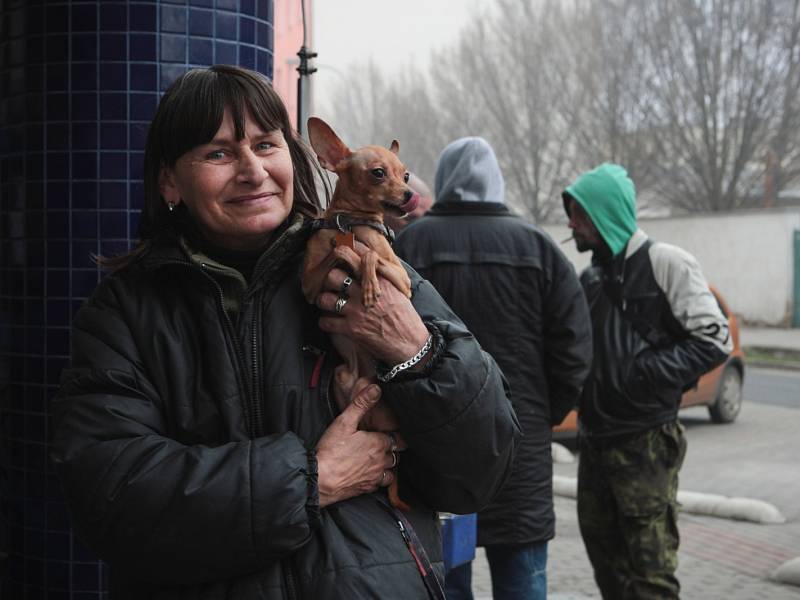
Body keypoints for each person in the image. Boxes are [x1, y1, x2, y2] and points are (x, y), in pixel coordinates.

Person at [49, 65, 520, 599]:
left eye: (266, 144)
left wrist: (415, 349)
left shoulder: (375, 269)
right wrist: (313, 480)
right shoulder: (126, 312)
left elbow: (484, 469)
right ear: (169, 182)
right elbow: (110, 496)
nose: (253, 171)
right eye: (218, 153)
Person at [394, 137, 593, 600]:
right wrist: (540, 415)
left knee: (443, 580)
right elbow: (575, 353)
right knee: (522, 577)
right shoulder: (539, 247)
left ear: (445, 181)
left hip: (433, 447)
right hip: (518, 445)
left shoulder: (411, 244)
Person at [562, 163, 732, 599]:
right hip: (596, 442)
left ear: (604, 214)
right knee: (608, 572)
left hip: (646, 443)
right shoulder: (591, 277)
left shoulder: (665, 262)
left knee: (650, 576)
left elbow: (716, 340)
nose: (572, 224)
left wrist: (642, 373)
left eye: (579, 213)